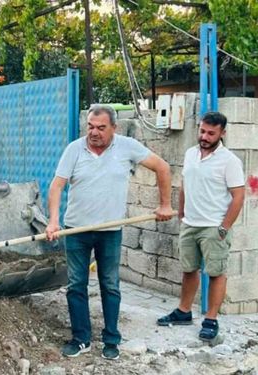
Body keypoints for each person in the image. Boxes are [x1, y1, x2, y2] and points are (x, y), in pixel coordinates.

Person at [46, 105, 173, 360]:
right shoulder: (74, 149)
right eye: (91, 127)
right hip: (77, 229)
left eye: (101, 128)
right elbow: (57, 185)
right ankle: (81, 338)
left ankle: (112, 339)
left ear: (114, 128)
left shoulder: (127, 147)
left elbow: (163, 168)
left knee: (110, 285)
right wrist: (52, 221)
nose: (94, 132)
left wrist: (165, 204)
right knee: (76, 285)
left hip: (110, 230)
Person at [157, 111, 245, 342]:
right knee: (189, 269)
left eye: (211, 133)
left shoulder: (230, 161)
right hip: (190, 224)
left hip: (214, 227)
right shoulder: (190, 154)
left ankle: (210, 319)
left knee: (216, 273)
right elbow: (186, 184)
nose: (204, 136)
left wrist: (224, 227)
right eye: (202, 131)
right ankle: (184, 312)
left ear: (222, 133)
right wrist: (182, 212)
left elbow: (238, 196)